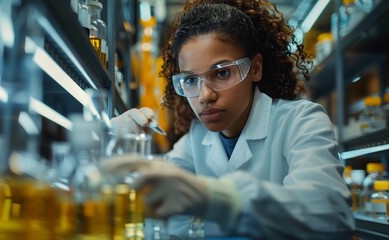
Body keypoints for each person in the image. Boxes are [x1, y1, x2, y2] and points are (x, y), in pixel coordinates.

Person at [104, 0, 355, 239]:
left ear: (255, 68)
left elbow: (332, 216)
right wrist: (117, 147)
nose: (205, 96)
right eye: (190, 80)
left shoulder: (301, 121)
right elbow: (159, 206)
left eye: (222, 73)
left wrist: (224, 199)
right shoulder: (197, 138)